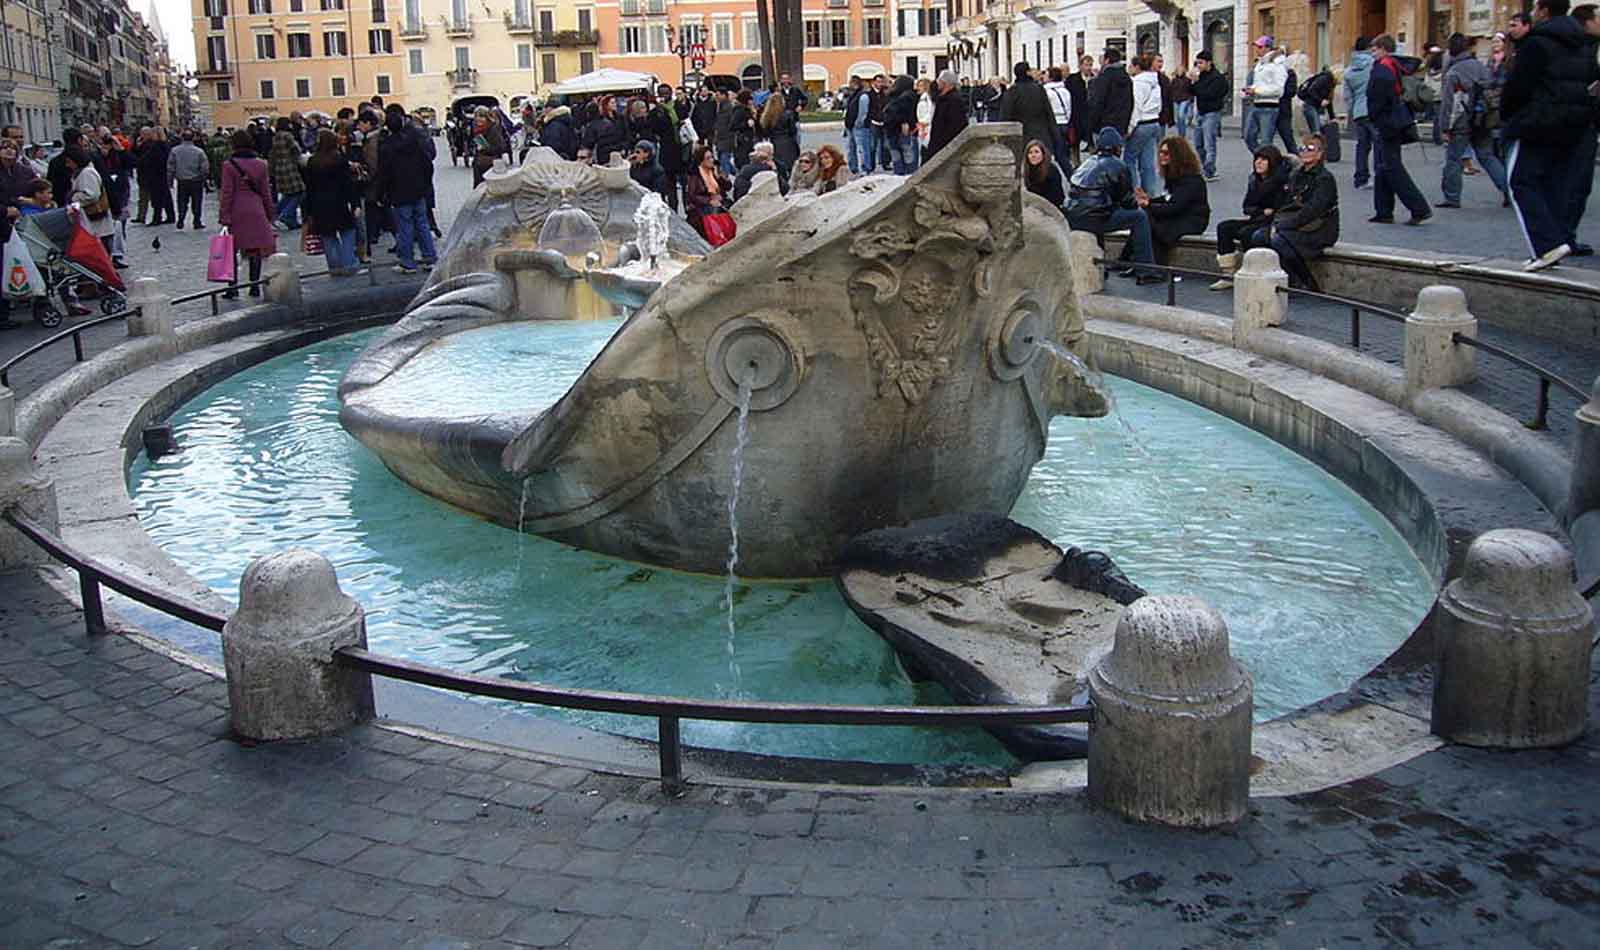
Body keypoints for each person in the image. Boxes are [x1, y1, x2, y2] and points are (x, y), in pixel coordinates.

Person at [1503, 0, 1599, 270]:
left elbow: (1518, 86)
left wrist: (1510, 115)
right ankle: (1560, 237)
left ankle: (1546, 245)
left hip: (1538, 120)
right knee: (1556, 183)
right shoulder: (1584, 43)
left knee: (1520, 180)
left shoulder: (1537, 43)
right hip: (1575, 122)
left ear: (1543, 11)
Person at [1065, 127, 1159, 284]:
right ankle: (1146, 270)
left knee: (1099, 212)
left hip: (1073, 216)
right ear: (1118, 147)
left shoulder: (1087, 163)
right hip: (1095, 218)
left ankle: (1102, 267)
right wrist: (1140, 202)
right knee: (1139, 218)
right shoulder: (1118, 165)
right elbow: (1128, 202)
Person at [1255, 135, 1340, 290]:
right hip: (1296, 223)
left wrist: (1285, 225)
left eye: (1311, 148)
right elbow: (1286, 204)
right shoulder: (1296, 174)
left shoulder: (1324, 178)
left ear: (1320, 154)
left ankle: (1305, 281)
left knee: (1278, 240)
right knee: (1259, 236)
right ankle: (1281, 277)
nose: (1305, 151)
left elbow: (1313, 210)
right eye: (1302, 148)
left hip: (1320, 228)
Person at [1439, 32, 1510, 210]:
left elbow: (1448, 103)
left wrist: (1444, 127)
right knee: (1487, 156)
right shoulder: (1481, 66)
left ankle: (1452, 197)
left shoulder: (1453, 72)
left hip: (1461, 120)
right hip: (1483, 118)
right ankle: (1510, 191)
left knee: (1454, 158)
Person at [1367, 34, 1433, 226]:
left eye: (1374, 49)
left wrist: (1373, 116)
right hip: (1396, 120)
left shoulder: (1382, 70)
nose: (1372, 53)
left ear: (1383, 49)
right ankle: (1383, 210)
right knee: (1382, 166)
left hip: (1387, 122)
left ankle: (1419, 208)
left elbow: (1378, 99)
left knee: (1391, 167)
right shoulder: (1395, 65)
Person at [1211, 145, 1289, 289]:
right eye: (1257, 159)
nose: (1258, 162)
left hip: (1272, 224)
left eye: (1264, 159)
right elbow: (1246, 207)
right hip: (1257, 219)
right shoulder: (1254, 179)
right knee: (1224, 227)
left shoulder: (1281, 181)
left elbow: (1279, 209)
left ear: (1272, 162)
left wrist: (1261, 211)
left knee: (1247, 234)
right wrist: (1261, 211)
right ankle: (1228, 274)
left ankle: (1251, 273)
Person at [375, 107, 437, 274]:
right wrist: (425, 184)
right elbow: (427, 164)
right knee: (422, 225)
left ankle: (407, 262)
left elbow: (383, 173)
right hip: (417, 189)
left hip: (399, 192)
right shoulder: (413, 141)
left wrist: (380, 193)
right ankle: (430, 258)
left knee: (405, 227)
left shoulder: (386, 147)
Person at [218, 130, 275, 299]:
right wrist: (269, 212)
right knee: (255, 248)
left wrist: (224, 215)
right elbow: (266, 191)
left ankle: (232, 287)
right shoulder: (261, 164)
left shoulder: (229, 165)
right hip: (256, 209)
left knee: (232, 249)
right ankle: (254, 285)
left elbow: (227, 192)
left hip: (237, 210)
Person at [1138, 135, 1209, 266]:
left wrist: (1149, 205)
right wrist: (1150, 201)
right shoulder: (1174, 176)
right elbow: (1168, 197)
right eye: (1160, 152)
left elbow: (1175, 206)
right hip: (1180, 215)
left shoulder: (1191, 180)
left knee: (1149, 220)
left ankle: (1148, 264)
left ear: (1177, 155)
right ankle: (1140, 262)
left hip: (1192, 220)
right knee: (1144, 219)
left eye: (1166, 153)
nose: (1161, 156)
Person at [301, 130, 360, 276]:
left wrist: (307, 212)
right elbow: (348, 184)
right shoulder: (339, 160)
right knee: (347, 231)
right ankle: (349, 263)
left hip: (319, 204)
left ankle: (334, 267)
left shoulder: (312, 162)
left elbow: (309, 188)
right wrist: (355, 204)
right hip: (339, 202)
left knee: (328, 236)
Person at [1126, 54, 1165, 198]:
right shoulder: (1155, 82)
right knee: (1147, 162)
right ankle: (1150, 192)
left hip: (1142, 123)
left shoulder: (1138, 83)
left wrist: (1130, 127)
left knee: (1129, 159)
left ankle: (1134, 191)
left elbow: (1136, 106)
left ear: (1137, 67)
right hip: (1153, 121)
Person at [1189, 51, 1228, 182]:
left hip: (1212, 113)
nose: (1198, 65)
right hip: (1200, 112)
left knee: (1209, 143)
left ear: (1208, 63)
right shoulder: (1201, 76)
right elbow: (1193, 92)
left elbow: (1208, 94)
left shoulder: (1217, 77)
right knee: (1198, 143)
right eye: (1197, 63)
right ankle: (1205, 167)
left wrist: (1197, 84)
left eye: (1201, 63)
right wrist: (1192, 82)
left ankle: (1210, 171)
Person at [1244, 44, 1288, 152]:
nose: (1257, 50)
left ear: (1268, 48)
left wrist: (1257, 91)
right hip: (1256, 104)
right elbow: (1258, 83)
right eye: (1257, 47)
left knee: (1266, 142)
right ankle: (1262, 159)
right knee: (1248, 137)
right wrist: (1250, 89)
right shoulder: (1260, 63)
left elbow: (1279, 90)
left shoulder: (1278, 65)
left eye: (1260, 47)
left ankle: (1267, 162)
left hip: (1269, 107)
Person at [1345, 37, 1376, 189]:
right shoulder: (1374, 64)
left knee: (1362, 146)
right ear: (1369, 47)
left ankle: (1361, 177)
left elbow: (1348, 96)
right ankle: (1381, 176)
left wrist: (1353, 110)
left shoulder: (1349, 69)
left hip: (1359, 111)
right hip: (1374, 109)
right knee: (1379, 145)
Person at [1084, 48, 1133, 143]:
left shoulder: (1103, 78)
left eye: (1101, 59)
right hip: (1121, 125)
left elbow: (1097, 103)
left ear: (1107, 60)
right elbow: (1130, 102)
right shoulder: (1127, 78)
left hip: (1103, 126)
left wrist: (1091, 124)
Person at [684, 145, 731, 239]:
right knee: (712, 211)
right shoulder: (695, 175)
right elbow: (692, 195)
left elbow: (728, 187)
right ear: (701, 160)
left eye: (712, 157)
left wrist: (720, 177)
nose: (711, 160)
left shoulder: (714, 171)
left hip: (718, 202)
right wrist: (709, 200)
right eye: (708, 158)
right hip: (702, 207)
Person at [269, 118, 306, 230]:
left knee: (287, 195)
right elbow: (296, 150)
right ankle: (285, 215)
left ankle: (276, 215)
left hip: (279, 168)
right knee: (300, 192)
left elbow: (272, 154)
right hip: (290, 168)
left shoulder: (275, 137)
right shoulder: (288, 136)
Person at [168, 131, 210, 230]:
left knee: (182, 201)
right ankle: (197, 221)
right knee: (197, 201)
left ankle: (181, 218)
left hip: (182, 180)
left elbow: (170, 167)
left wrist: (170, 180)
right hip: (196, 180)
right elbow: (205, 167)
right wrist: (203, 178)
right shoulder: (199, 151)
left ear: (182, 138)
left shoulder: (175, 151)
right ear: (193, 138)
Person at [135, 126, 175, 226]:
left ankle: (157, 218)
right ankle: (170, 216)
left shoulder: (156, 146)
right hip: (163, 174)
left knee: (157, 198)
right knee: (165, 196)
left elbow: (146, 159)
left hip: (155, 175)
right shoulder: (166, 145)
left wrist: (139, 161)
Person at [882, 75, 921, 174]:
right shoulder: (909, 96)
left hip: (891, 130)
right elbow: (907, 112)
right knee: (908, 156)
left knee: (896, 157)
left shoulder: (891, 96)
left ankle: (898, 177)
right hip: (904, 130)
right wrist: (905, 121)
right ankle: (909, 177)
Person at [926, 69, 969, 160]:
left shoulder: (954, 100)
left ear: (946, 83)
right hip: (938, 142)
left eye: (940, 81)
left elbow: (957, 124)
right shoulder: (942, 98)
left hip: (945, 144)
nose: (938, 83)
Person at [758, 93, 801, 179]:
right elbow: (793, 130)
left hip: (774, 142)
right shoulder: (787, 114)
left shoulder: (767, 116)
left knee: (778, 167)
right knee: (790, 167)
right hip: (788, 143)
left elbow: (764, 132)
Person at [580, 96, 627, 168]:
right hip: (614, 153)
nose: (615, 104)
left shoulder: (592, 126)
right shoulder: (607, 123)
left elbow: (588, 144)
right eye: (612, 103)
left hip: (602, 156)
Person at [1066, 56, 1095, 166]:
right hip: (1076, 114)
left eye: (1090, 65)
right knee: (1075, 142)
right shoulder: (1072, 79)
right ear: (1080, 66)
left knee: (1092, 141)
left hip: (1091, 116)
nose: (1088, 68)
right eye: (1086, 65)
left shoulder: (1095, 79)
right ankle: (1076, 164)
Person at [1022, 138, 1066, 208]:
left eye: (1036, 152)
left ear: (1043, 154)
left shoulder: (1051, 170)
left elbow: (1056, 197)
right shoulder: (1028, 170)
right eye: (1030, 152)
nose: (1033, 155)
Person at [1044, 67, 1074, 170]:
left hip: (1054, 123)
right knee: (1062, 152)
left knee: (1057, 153)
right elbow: (1069, 108)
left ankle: (1069, 174)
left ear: (1051, 77)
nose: (1044, 76)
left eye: (1046, 74)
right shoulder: (1065, 91)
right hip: (1065, 122)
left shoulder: (1047, 92)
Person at [471, 106, 509, 186]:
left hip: (491, 166)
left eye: (481, 116)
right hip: (479, 165)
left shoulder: (493, 129)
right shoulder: (477, 130)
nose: (478, 119)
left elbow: (500, 148)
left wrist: (485, 148)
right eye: (476, 116)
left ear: (487, 117)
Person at [1170, 62, 1194, 139]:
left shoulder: (1187, 80)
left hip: (1184, 98)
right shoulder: (1174, 80)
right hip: (1175, 99)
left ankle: (1182, 134)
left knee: (1181, 115)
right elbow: (1171, 90)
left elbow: (1190, 90)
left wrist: (1190, 99)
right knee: (1177, 118)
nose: (1180, 72)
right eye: (1178, 70)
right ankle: (1180, 132)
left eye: (1181, 70)